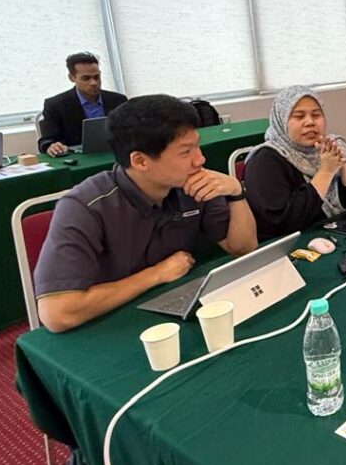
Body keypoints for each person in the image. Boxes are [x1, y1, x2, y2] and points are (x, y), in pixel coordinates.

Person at [33, 95, 257, 333]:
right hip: (109, 328)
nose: (200, 159)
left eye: (197, 145)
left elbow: (242, 248)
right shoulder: (85, 205)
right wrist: (156, 274)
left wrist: (236, 192)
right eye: (185, 152)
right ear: (140, 161)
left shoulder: (193, 186)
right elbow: (57, 313)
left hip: (173, 313)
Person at [244, 86, 346, 239]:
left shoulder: (332, 144)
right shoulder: (264, 161)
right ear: (281, 120)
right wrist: (325, 172)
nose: (310, 122)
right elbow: (283, 221)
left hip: (339, 235)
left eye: (316, 115)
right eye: (299, 117)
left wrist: (343, 164)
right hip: (291, 247)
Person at [38, 52, 128, 156]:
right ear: (72, 78)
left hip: (116, 153)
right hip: (77, 157)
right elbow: (46, 140)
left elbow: (132, 131)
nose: (93, 83)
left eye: (96, 77)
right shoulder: (56, 105)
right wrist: (51, 146)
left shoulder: (119, 100)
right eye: (86, 78)